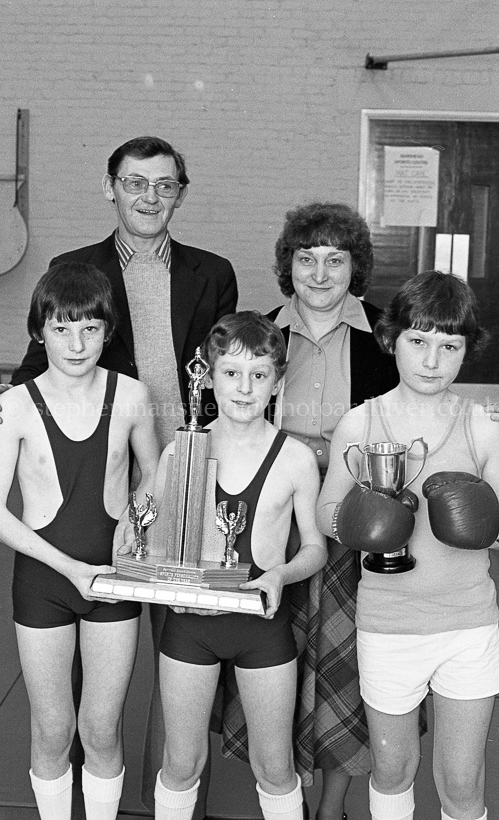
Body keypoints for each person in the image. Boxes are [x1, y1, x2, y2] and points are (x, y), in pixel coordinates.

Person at [1, 135, 238, 815]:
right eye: (136, 183)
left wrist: (197, 471)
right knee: (59, 716)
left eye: (165, 185)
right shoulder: (74, 268)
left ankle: (171, 797)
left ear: (180, 193)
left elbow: (223, 379)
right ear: (111, 187)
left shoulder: (211, 271)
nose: (150, 197)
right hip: (95, 479)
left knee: (184, 655)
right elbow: (38, 364)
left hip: (183, 477)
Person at [216, 203, 399, 820]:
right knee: (279, 667)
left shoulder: (386, 334)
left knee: (346, 674)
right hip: (273, 524)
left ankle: (332, 808)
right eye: (306, 258)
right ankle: (281, 790)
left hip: (355, 524)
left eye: (335, 259)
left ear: (356, 267)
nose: (319, 273)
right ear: (287, 265)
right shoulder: (259, 333)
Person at [317, 271, 499, 820]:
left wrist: (477, 517)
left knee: (462, 783)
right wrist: (364, 521)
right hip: (389, 623)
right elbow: (326, 513)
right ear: (392, 339)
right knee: (393, 769)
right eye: (418, 341)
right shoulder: (360, 422)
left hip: (468, 625)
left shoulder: (481, 427)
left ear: (466, 352)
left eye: (449, 346)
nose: (431, 360)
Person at [0, 262, 160, 820]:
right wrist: (70, 568)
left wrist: (134, 521)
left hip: (114, 578)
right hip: (45, 581)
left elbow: (154, 475)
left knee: (100, 727)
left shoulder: (134, 396)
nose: (76, 343)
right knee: (51, 729)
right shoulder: (15, 405)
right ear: (39, 330)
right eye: (62, 328)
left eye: (90, 328)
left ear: (108, 331)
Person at [153, 311, 327, 820]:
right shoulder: (180, 452)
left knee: (274, 766)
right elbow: (160, 543)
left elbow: (314, 548)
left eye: (259, 374)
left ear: (277, 380)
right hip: (189, 627)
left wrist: (281, 574)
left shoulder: (294, 458)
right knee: (182, 762)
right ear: (208, 376)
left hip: (261, 626)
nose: (245, 388)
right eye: (231, 373)